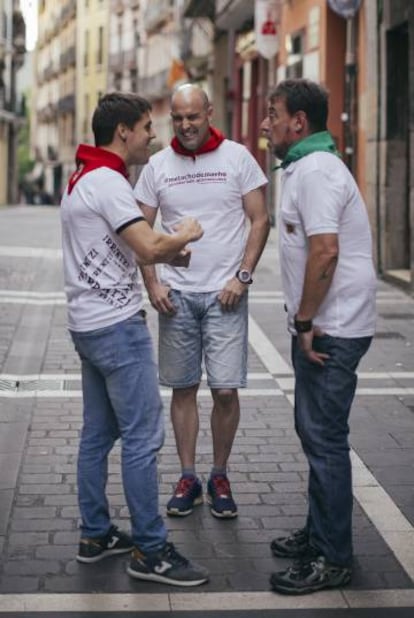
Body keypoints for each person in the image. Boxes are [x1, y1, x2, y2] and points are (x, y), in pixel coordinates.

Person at [60, 92, 209, 587]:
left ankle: (95, 534)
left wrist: (169, 254)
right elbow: (145, 242)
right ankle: (150, 551)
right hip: (117, 329)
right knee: (144, 440)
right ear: (123, 130)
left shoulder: (85, 176)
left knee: (97, 436)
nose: (153, 134)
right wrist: (183, 234)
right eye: (147, 126)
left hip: (87, 325)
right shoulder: (108, 182)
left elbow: (127, 249)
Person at [260, 78, 376, 595]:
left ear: (298, 123)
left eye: (272, 113)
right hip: (324, 325)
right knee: (315, 436)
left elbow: (325, 251)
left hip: (331, 329)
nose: (265, 124)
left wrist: (305, 323)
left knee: (325, 440)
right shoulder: (308, 168)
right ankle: (320, 532)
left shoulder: (316, 173)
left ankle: (334, 558)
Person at [134, 84, 270, 519]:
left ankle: (220, 473)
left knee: (226, 390)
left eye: (193, 116)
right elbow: (141, 230)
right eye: (177, 118)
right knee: (183, 387)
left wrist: (242, 277)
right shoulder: (157, 166)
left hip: (225, 296)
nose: (186, 125)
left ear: (210, 112)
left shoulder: (238, 157)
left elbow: (260, 218)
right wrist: (153, 284)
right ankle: (189, 475)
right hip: (178, 296)